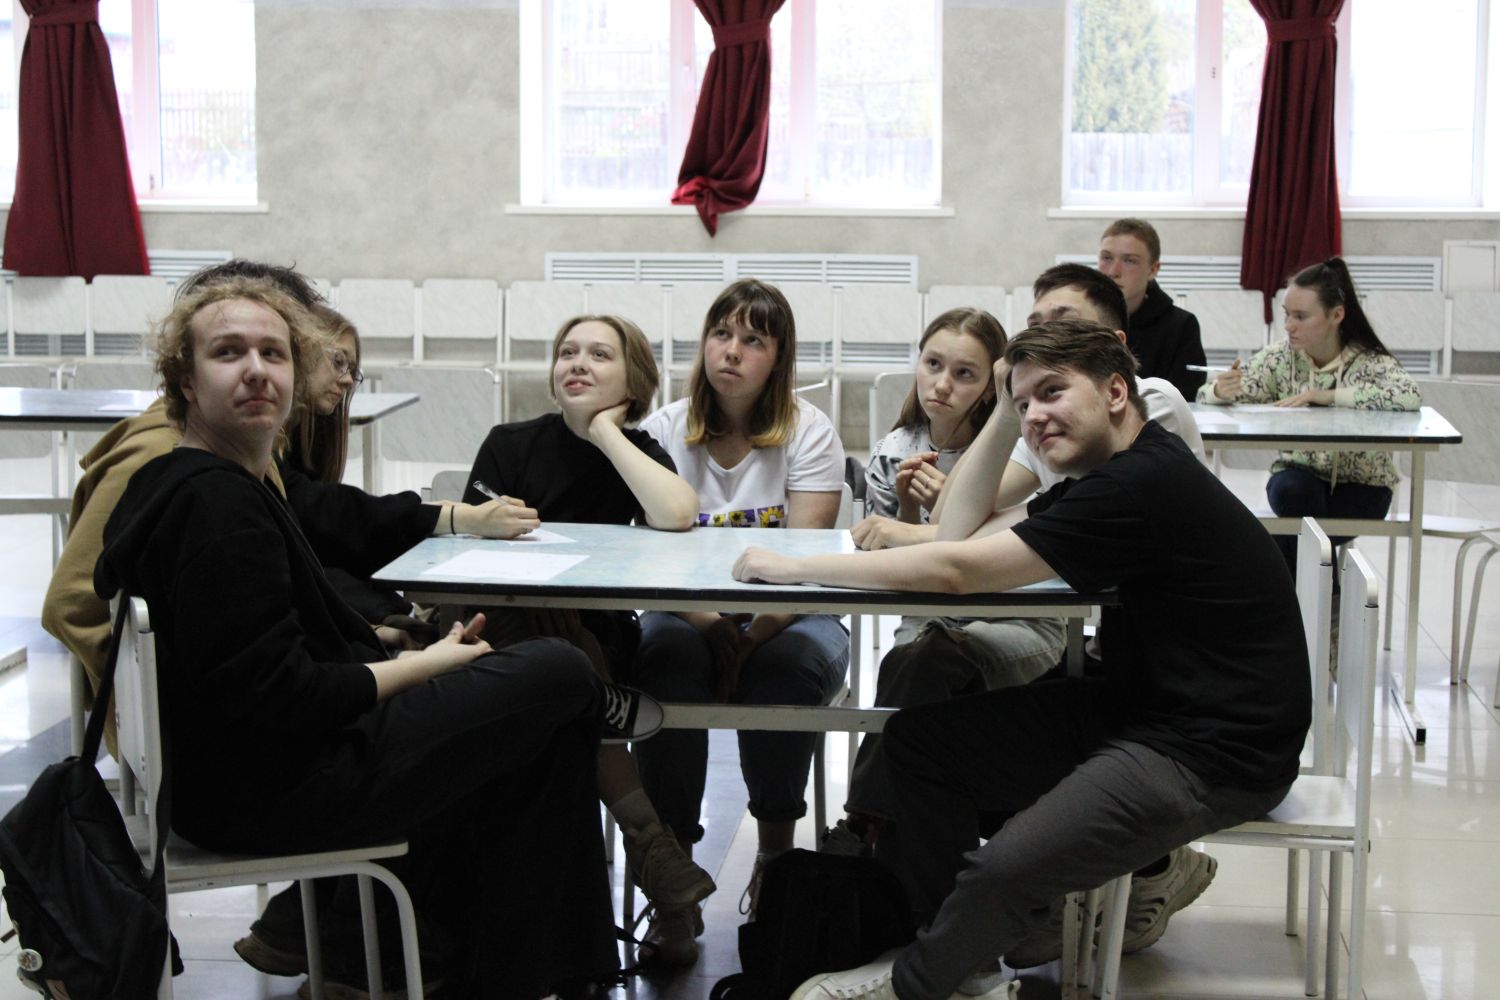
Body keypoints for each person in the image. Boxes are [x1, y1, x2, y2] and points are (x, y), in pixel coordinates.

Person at [731, 321, 1311, 1000]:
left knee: (1003, 868)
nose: (1035, 415)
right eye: (1022, 400)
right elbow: (957, 530)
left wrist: (792, 568)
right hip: (1142, 707)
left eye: (1052, 393)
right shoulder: (1113, 472)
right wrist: (1007, 412)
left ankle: (919, 984)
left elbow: (956, 570)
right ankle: (963, 964)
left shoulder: (1140, 482)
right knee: (917, 744)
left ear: (1116, 392)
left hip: (1215, 750)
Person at [94, 275, 626, 999]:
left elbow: (261, 653)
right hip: (275, 791)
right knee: (560, 674)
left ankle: (503, 970)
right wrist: (427, 664)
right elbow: (284, 693)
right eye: (228, 352)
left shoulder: (188, 483)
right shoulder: (216, 504)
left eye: (273, 354)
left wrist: (392, 649)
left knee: (540, 728)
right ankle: (538, 971)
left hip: (228, 779)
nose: (256, 370)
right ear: (186, 380)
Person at [460, 313, 716, 943]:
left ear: (634, 381)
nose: (577, 363)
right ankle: (652, 847)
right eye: (567, 352)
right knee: (557, 654)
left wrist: (605, 431)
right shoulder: (509, 443)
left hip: (599, 638)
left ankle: (638, 864)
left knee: (570, 655)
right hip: (508, 626)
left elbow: (677, 512)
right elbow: (477, 554)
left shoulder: (635, 452)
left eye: (600, 355)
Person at [631, 279, 851, 964]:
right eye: (721, 334)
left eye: (753, 339)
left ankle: (776, 866)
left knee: (785, 671)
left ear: (778, 357)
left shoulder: (809, 431)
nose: (731, 351)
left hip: (791, 613)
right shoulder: (664, 429)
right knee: (663, 662)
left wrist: (752, 635)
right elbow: (646, 559)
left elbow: (806, 565)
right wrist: (711, 625)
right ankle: (673, 882)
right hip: (685, 610)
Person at [827, 308, 1064, 853]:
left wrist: (928, 525)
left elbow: (986, 550)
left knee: (921, 671)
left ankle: (867, 824)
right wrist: (910, 512)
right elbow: (890, 561)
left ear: (992, 385)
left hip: (1014, 613)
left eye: (964, 374)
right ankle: (908, 846)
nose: (942, 384)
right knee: (916, 661)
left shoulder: (1015, 444)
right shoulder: (896, 449)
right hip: (932, 614)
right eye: (933, 364)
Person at [1200, 257, 1421, 568]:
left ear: (1336, 315)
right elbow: (1207, 396)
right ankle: (1326, 592)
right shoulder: (1281, 358)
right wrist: (1220, 391)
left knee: (1290, 534)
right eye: (1287, 315)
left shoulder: (1368, 360)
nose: (1289, 325)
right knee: (1297, 499)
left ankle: (1305, 591)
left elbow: (1408, 394)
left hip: (1363, 485)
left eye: (1301, 317)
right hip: (1297, 479)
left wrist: (1328, 396)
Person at [1097, 217, 1206, 398]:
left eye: (1129, 261)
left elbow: (1183, 398)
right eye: (1107, 258)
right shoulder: (1080, 317)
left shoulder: (1181, 326)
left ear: (1153, 269)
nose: (1113, 271)